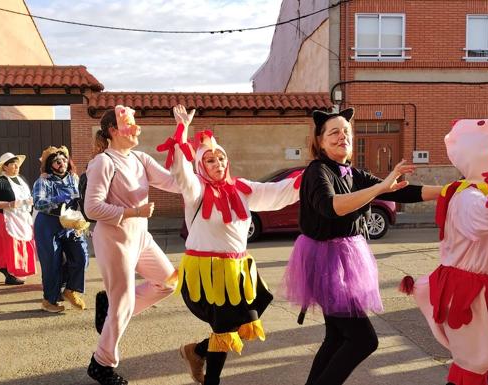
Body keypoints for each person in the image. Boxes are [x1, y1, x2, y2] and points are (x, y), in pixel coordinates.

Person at [281, 108, 442, 385]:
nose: (342, 135)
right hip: (324, 262)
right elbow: (332, 207)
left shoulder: (352, 173)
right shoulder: (317, 171)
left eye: (346, 131)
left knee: (336, 337)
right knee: (364, 340)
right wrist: (381, 188)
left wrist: (451, 189)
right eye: (334, 132)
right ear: (320, 141)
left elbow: (402, 190)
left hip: (345, 260)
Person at [159, 105, 301, 385]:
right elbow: (182, 174)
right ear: (202, 165)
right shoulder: (196, 191)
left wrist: (312, 178)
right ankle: (211, 378)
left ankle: (197, 351)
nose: (217, 163)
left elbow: (277, 193)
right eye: (210, 160)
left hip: (238, 271)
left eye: (220, 158)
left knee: (246, 317)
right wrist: (182, 130)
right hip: (206, 274)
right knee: (224, 327)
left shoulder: (242, 188)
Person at [407, 119, 488, 385]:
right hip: (473, 297)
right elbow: (482, 219)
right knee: (474, 364)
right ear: (478, 154)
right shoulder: (466, 197)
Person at [84, 105, 180, 385]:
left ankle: (110, 309)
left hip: (141, 236)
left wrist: (188, 153)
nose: (136, 128)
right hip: (114, 239)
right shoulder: (104, 162)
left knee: (168, 281)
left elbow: (173, 183)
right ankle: (101, 363)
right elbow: (92, 208)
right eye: (129, 123)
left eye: (135, 122)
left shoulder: (140, 158)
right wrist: (132, 212)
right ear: (113, 130)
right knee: (122, 301)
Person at [33, 145, 89, 313]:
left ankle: (71, 290)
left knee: (81, 256)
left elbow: (81, 202)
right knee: (52, 263)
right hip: (48, 225)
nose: (61, 163)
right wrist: (58, 199)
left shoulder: (74, 178)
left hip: (71, 224)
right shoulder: (43, 181)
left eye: (64, 160)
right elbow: (38, 203)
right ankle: (49, 300)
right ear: (50, 164)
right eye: (57, 161)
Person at [0, 152, 36, 285]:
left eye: (17, 164)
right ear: (5, 167)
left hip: (23, 218)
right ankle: (10, 272)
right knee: (10, 247)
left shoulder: (22, 179)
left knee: (23, 245)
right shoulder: (0, 182)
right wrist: (9, 204)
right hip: (6, 218)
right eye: (13, 164)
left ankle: (19, 271)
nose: (16, 166)